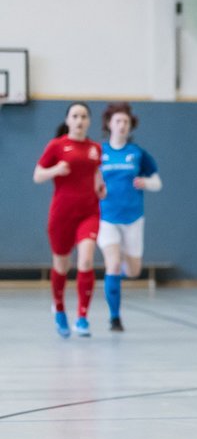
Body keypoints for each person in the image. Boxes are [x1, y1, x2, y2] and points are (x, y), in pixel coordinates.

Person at [32, 102, 105, 338]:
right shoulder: (56, 146)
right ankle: (59, 309)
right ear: (67, 120)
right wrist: (56, 170)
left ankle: (82, 318)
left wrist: (100, 187)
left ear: (89, 121)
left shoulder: (95, 148)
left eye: (84, 116)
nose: (79, 120)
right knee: (61, 266)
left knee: (85, 261)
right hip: (62, 214)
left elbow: (96, 173)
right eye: (75, 116)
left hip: (89, 212)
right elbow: (37, 175)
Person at [96, 102, 161, 332]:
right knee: (112, 264)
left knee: (133, 271)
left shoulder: (137, 154)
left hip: (133, 218)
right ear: (109, 124)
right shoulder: (100, 152)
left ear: (130, 126)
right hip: (107, 218)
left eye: (126, 122)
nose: (122, 125)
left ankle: (124, 264)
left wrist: (146, 183)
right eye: (118, 121)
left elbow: (157, 182)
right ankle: (115, 318)